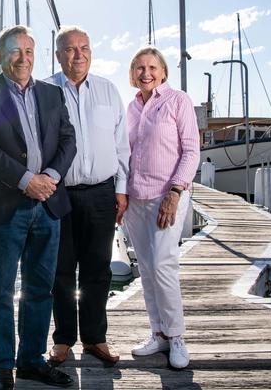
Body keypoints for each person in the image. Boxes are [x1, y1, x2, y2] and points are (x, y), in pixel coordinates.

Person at [0, 25, 76, 389]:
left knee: (40, 288)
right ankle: (1, 367)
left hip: (48, 204)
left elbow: (67, 139)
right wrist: (27, 180)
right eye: (15, 51)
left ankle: (30, 361)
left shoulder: (52, 93)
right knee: (0, 290)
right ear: (1, 57)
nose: (23, 58)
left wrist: (51, 176)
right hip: (3, 207)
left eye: (29, 51)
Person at [45, 26, 130, 365]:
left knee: (98, 269)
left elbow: (122, 146)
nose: (78, 54)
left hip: (101, 193)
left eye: (84, 48)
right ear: (58, 55)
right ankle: (64, 339)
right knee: (60, 269)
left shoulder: (109, 91)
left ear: (91, 52)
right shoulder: (45, 92)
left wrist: (121, 190)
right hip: (58, 194)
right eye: (70, 49)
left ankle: (96, 337)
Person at [123, 46, 200, 369]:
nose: (146, 73)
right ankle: (158, 333)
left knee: (163, 266)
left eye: (152, 67)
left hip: (167, 196)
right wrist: (121, 195)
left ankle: (177, 336)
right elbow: (124, 152)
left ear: (163, 71)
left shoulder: (178, 101)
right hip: (135, 199)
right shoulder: (132, 107)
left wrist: (176, 190)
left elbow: (192, 151)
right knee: (145, 268)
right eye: (139, 68)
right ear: (132, 74)